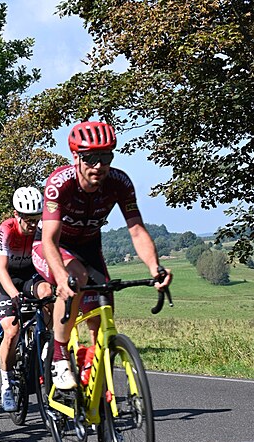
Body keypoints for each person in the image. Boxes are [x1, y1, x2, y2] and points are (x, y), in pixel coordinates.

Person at [32, 120, 172, 390]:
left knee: (102, 315)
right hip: (51, 247)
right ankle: (59, 357)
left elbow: (137, 230)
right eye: (90, 158)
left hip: (89, 247)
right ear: (76, 157)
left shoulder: (119, 182)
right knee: (75, 278)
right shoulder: (59, 184)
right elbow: (50, 239)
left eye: (105, 157)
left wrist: (156, 268)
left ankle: (93, 388)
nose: (98, 165)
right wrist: (61, 278)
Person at [0, 186, 53, 412]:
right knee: (11, 330)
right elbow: (1, 269)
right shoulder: (6, 230)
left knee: (48, 293)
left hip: (30, 276)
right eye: (27, 219)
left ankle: (46, 344)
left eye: (36, 219)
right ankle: (7, 383)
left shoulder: (41, 229)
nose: (32, 224)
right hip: (8, 280)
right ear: (17, 215)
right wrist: (14, 294)